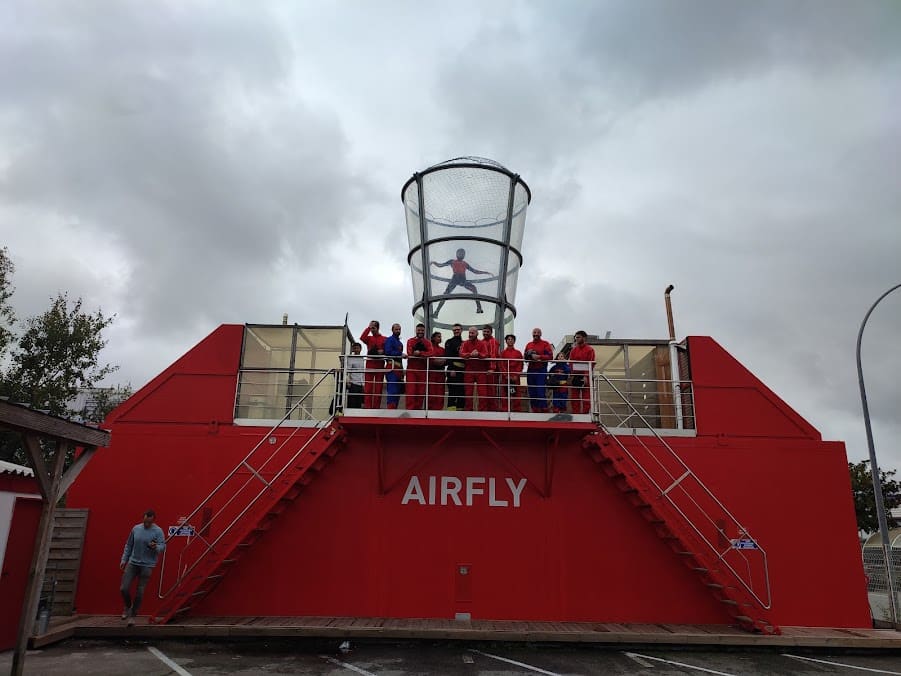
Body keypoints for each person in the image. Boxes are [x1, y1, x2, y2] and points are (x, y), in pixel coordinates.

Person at [120, 509, 166, 626]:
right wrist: (124, 559)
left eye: (149, 522)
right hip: (133, 563)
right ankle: (127, 607)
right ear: (143, 518)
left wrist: (155, 547)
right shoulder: (136, 529)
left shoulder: (158, 531)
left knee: (140, 592)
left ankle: (132, 616)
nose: (146, 524)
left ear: (153, 521)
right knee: (124, 588)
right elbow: (129, 544)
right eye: (145, 521)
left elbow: (162, 547)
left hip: (147, 565)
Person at [430, 248, 491, 315]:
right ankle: (436, 312)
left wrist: (485, 272)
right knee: (445, 294)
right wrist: (434, 262)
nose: (461, 254)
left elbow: (475, 271)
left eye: (462, 253)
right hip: (455, 279)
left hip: (462, 280)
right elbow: (440, 265)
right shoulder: (452, 261)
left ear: (464, 255)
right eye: (460, 253)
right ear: (456, 254)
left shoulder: (465, 264)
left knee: (474, 289)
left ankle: (479, 308)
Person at [460, 326, 490, 411]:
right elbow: (461, 353)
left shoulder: (482, 343)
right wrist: (471, 354)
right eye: (469, 333)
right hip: (469, 370)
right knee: (468, 392)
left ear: (477, 333)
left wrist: (478, 354)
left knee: (483, 393)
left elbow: (486, 354)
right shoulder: (465, 343)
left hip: (481, 370)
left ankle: (483, 411)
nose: (470, 334)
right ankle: (469, 410)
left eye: (472, 333)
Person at [523, 327, 554, 413]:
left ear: (541, 334)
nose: (536, 334)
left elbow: (550, 357)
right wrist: (528, 355)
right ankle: (534, 410)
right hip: (531, 370)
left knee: (540, 391)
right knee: (532, 392)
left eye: (538, 332)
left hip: (541, 370)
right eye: (534, 332)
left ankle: (544, 410)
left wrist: (539, 356)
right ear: (532, 334)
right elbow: (525, 358)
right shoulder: (528, 344)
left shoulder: (545, 344)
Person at [405, 323, 434, 410]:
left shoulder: (427, 342)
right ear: (416, 330)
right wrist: (423, 353)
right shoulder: (410, 341)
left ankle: (418, 410)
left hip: (423, 370)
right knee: (411, 390)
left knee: (421, 391)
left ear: (424, 331)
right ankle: (410, 410)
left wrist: (420, 353)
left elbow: (431, 353)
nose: (420, 332)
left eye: (422, 330)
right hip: (411, 370)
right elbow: (410, 352)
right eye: (419, 330)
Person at [360, 321, 387, 409]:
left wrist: (383, 351)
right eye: (371, 328)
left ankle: (376, 407)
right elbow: (362, 338)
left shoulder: (384, 339)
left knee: (378, 388)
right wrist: (368, 328)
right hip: (370, 364)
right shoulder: (369, 338)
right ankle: (367, 407)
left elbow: (388, 350)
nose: (372, 330)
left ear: (377, 328)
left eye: (373, 328)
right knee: (368, 387)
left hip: (380, 365)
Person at [569, 330, 596, 414]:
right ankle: (576, 414)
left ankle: (585, 414)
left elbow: (591, 363)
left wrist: (585, 376)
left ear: (584, 338)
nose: (576, 339)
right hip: (576, 375)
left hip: (586, 376)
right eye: (575, 337)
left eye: (578, 337)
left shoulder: (590, 349)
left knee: (586, 398)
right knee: (574, 398)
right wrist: (571, 375)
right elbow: (571, 363)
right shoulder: (573, 350)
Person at [443, 324, 466, 410]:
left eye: (458, 329)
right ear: (453, 331)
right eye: (455, 330)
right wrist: (452, 368)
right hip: (453, 369)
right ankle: (451, 412)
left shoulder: (464, 343)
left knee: (462, 392)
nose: (456, 331)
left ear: (461, 330)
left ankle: (461, 411)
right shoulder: (449, 342)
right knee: (452, 391)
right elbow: (448, 356)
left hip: (463, 371)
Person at [383, 323, 406, 410]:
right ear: (392, 330)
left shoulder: (400, 343)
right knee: (392, 390)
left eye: (399, 329)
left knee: (397, 391)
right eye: (396, 329)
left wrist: (402, 371)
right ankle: (390, 410)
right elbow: (388, 352)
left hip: (399, 369)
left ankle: (394, 409)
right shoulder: (389, 340)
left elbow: (400, 359)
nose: (398, 331)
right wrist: (400, 354)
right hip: (391, 367)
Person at [500, 334, 524, 412]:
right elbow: (501, 364)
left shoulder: (518, 353)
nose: (510, 340)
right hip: (505, 378)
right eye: (508, 339)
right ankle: (505, 410)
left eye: (512, 339)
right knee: (505, 394)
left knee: (516, 394)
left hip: (515, 378)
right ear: (506, 341)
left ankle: (517, 410)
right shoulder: (503, 353)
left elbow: (520, 365)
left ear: (514, 341)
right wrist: (506, 375)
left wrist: (516, 375)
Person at [345, 342, 365, 409]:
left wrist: (364, 384)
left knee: (359, 403)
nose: (356, 350)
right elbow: (347, 371)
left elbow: (362, 372)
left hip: (361, 384)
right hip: (353, 383)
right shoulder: (350, 358)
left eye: (358, 348)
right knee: (352, 403)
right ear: (353, 349)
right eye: (355, 348)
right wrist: (348, 381)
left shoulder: (362, 358)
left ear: (360, 349)